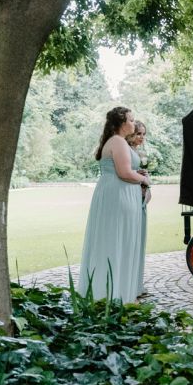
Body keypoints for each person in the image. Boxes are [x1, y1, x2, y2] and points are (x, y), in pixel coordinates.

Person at [79, 107, 149, 303]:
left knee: (115, 241)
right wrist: (144, 181)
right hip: (118, 195)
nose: (134, 124)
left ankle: (115, 290)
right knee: (116, 241)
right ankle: (113, 294)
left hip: (117, 193)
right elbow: (124, 173)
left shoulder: (115, 141)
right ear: (121, 123)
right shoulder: (117, 141)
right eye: (131, 120)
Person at [126, 120, 149, 296]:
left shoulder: (137, 152)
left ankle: (136, 283)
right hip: (130, 194)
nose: (141, 137)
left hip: (138, 191)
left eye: (143, 134)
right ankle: (129, 285)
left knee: (139, 240)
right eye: (138, 133)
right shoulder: (126, 149)